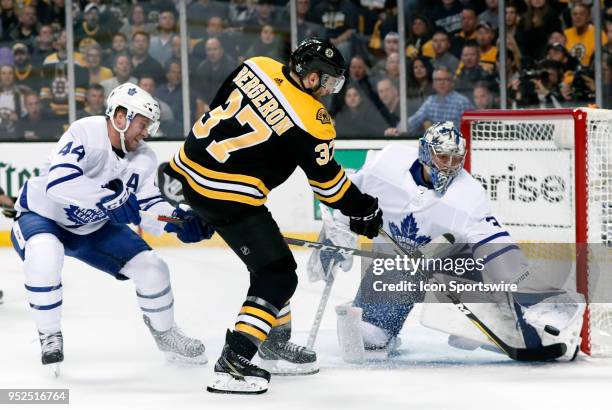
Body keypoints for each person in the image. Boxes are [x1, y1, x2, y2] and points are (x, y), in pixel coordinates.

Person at [164, 38, 383, 394]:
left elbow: (218, 107)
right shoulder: (314, 121)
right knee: (277, 276)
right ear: (309, 76)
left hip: (189, 175)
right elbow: (328, 186)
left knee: (269, 255)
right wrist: (364, 210)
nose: (328, 89)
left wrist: (202, 205)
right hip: (229, 197)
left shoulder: (257, 64)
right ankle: (235, 361)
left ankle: (274, 343)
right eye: (326, 80)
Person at [308, 122, 584, 362]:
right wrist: (335, 236)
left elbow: (496, 246)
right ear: (426, 153)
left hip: (452, 266)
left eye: (456, 159)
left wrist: (534, 298)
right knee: (368, 337)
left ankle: (516, 327)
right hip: (396, 267)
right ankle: (383, 326)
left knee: (470, 325)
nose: (451, 167)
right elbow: (349, 196)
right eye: (443, 158)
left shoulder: (467, 195)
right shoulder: (387, 164)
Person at [10, 83, 212, 373]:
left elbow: (147, 203)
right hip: (43, 216)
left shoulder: (143, 157)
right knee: (44, 254)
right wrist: (112, 199)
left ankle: (166, 334)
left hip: (93, 225)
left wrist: (179, 221)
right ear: (120, 117)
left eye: (149, 127)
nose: (146, 133)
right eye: (142, 125)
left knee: (153, 268)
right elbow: (59, 183)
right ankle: (50, 334)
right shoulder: (85, 132)